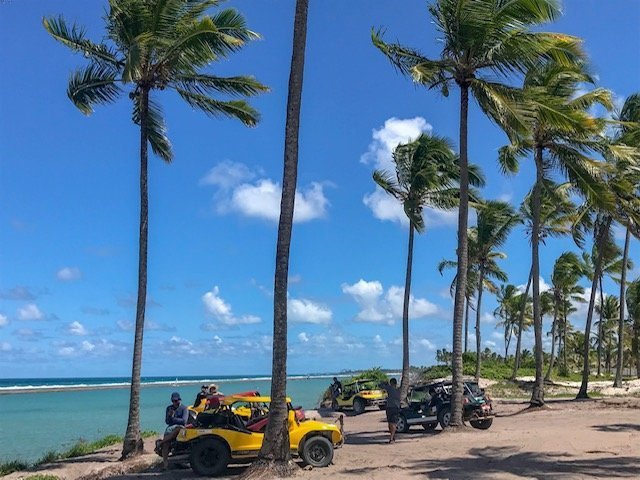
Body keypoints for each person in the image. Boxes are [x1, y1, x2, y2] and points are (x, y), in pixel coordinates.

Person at [159, 392, 189, 470]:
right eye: (173, 401)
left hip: (180, 427)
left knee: (177, 429)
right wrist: (170, 416)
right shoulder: (169, 408)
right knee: (166, 444)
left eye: (176, 401)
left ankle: (160, 442)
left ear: (179, 400)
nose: (174, 403)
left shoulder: (184, 408)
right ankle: (165, 464)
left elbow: (184, 421)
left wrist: (173, 418)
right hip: (170, 427)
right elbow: (167, 421)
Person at [379, 378, 401, 444]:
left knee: (391, 423)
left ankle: (391, 438)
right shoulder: (398, 390)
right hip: (396, 407)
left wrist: (385, 383)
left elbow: (380, 385)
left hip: (390, 408)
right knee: (392, 423)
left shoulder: (390, 388)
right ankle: (392, 437)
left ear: (391, 383)